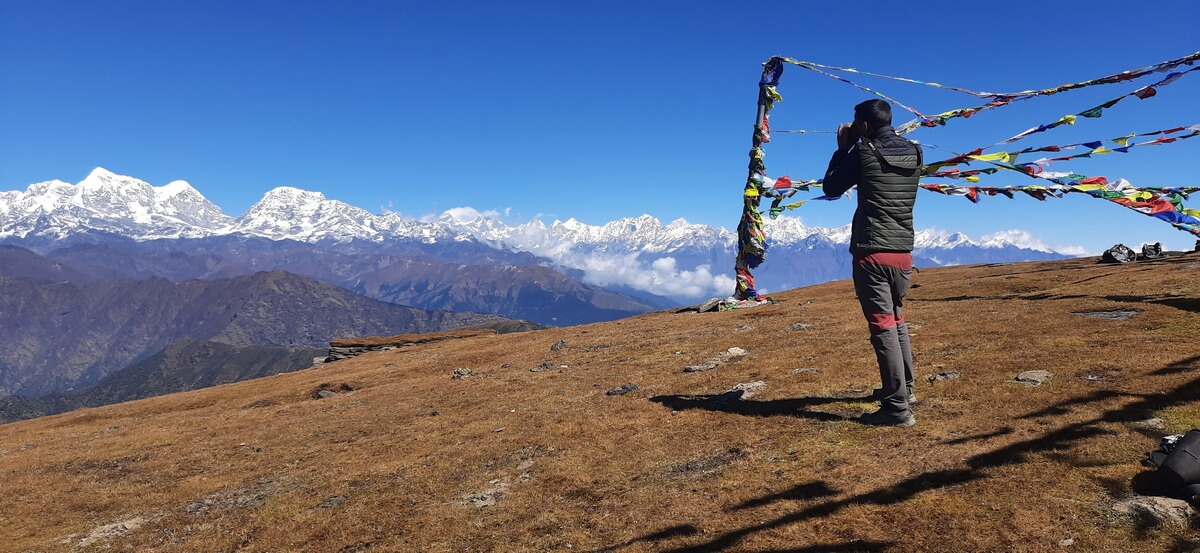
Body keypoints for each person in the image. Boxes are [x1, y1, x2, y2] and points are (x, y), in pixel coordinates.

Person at [821, 99, 923, 428]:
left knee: (882, 328)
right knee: (897, 321)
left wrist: (843, 149)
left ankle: (896, 409)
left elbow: (832, 187)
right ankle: (905, 390)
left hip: (872, 251)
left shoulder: (863, 154)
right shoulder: (917, 152)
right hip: (903, 251)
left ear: (863, 125)